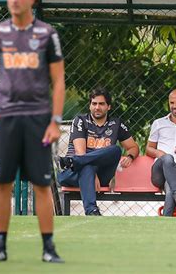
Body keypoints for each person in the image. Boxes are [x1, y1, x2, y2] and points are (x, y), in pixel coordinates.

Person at [0, 0, 65, 262]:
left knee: (42, 185)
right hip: (5, 120)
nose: (13, 1)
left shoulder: (48, 34)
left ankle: (48, 248)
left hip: (38, 120)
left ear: (31, 0)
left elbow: (58, 82)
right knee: (2, 184)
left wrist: (55, 121)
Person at [58, 87, 139, 216]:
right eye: (94, 103)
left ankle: (70, 161)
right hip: (72, 172)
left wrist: (130, 156)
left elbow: (134, 147)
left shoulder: (116, 124)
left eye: (101, 104)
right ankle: (92, 211)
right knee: (87, 167)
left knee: (116, 150)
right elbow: (80, 152)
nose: (97, 107)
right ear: (90, 105)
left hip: (98, 173)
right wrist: (91, 173)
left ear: (109, 107)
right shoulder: (80, 121)